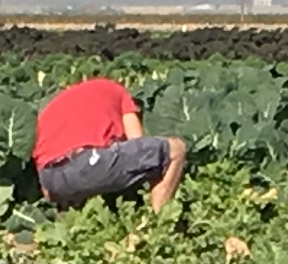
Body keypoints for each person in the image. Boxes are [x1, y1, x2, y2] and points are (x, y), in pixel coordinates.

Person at [31, 76, 184, 209]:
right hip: (90, 164)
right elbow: (137, 140)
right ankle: (159, 224)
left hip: (51, 178)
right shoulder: (119, 92)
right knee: (175, 149)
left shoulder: (56, 104)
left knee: (81, 183)